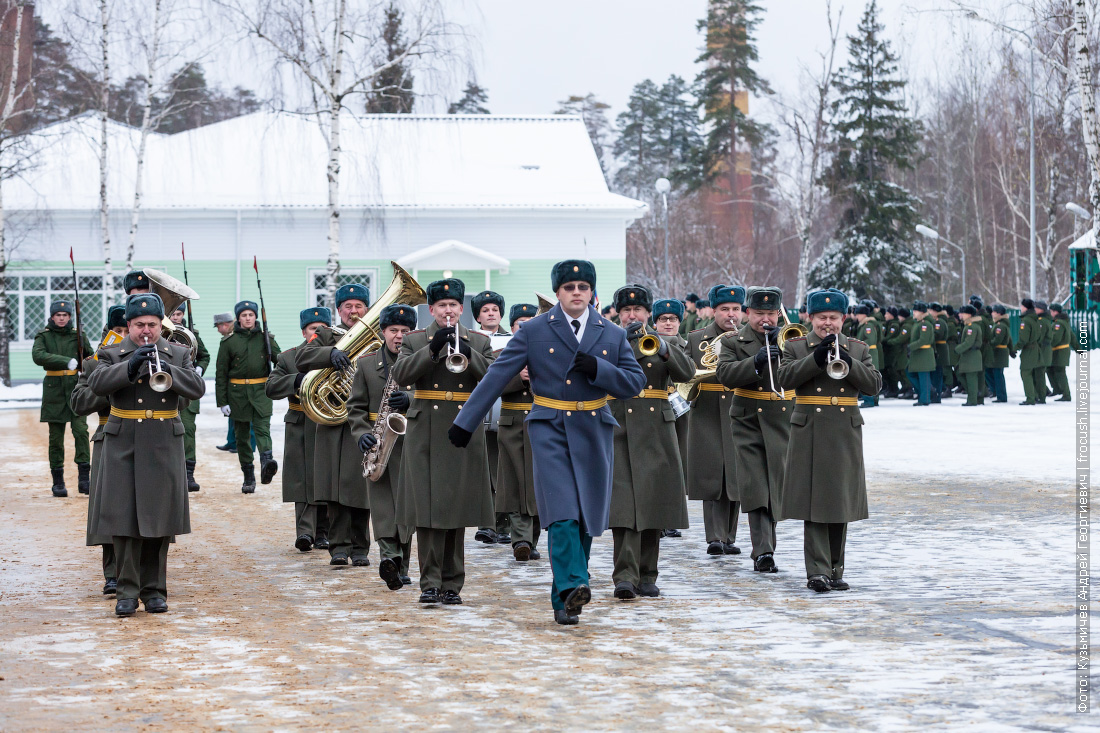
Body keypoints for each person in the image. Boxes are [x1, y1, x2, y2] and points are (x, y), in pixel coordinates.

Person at [448, 260, 646, 625]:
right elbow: (498, 374)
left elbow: (634, 383)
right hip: (549, 426)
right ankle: (575, 582)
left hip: (595, 427)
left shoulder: (612, 333)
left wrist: (600, 370)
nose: (575, 292)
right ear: (557, 293)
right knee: (562, 512)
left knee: (586, 516)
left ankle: (565, 599)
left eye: (582, 287)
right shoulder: (536, 330)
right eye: (568, 287)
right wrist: (465, 422)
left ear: (591, 293)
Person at [87, 293, 205, 616]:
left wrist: (169, 368)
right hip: (123, 442)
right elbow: (96, 384)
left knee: (158, 521)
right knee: (124, 522)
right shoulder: (111, 352)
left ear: (160, 324)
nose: (146, 332)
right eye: (139, 325)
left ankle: (154, 590)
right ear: (129, 326)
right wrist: (130, 366)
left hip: (163, 442)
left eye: (152, 324)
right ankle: (126, 591)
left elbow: (196, 388)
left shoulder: (178, 353)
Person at [392, 277, 496, 605]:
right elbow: (401, 375)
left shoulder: (478, 341)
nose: (447, 311)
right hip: (425, 431)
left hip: (463, 428)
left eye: (453, 306)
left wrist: (469, 354)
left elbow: (496, 380)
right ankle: (429, 583)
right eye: (441, 306)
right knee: (428, 510)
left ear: (462, 309)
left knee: (457, 508)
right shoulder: (414, 340)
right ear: (431, 309)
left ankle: (453, 585)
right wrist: (432, 349)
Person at [777, 288, 880, 593]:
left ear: (843, 318)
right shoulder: (796, 346)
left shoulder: (858, 348)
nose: (827, 324)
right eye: (821, 318)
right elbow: (784, 379)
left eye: (833, 318)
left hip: (844, 431)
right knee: (815, 503)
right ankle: (818, 571)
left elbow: (874, 385)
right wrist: (815, 359)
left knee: (840, 502)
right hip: (809, 429)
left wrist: (849, 361)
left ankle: (836, 569)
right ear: (809, 318)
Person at [606, 285, 693, 599]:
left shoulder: (663, 341)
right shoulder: (607, 340)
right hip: (620, 427)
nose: (632, 315)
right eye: (627, 310)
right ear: (618, 313)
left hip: (657, 427)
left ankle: (648, 575)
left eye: (638, 311)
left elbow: (686, 372)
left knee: (654, 502)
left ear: (647, 314)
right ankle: (624, 577)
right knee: (624, 507)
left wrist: (664, 349)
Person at [293, 284, 373, 566]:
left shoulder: (374, 335)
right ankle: (338, 547)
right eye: (348, 307)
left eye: (359, 306)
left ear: (367, 308)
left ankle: (361, 547)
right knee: (334, 487)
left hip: (363, 421)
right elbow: (301, 357)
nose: (354, 311)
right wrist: (329, 354)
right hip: (332, 422)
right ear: (339, 311)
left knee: (361, 486)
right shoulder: (326, 334)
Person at [715, 286, 791, 572]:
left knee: (776, 486)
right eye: (759, 313)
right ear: (748, 313)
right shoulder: (735, 341)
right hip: (747, 419)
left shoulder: (791, 338)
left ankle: (769, 543)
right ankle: (763, 551)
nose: (765, 319)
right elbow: (725, 375)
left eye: (771, 313)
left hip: (782, 418)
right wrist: (755, 362)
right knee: (756, 485)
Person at [348, 304, 418, 588]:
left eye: (405, 331)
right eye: (393, 330)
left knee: (407, 506)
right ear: (382, 332)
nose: (399, 336)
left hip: (411, 442)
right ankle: (389, 557)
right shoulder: (366, 364)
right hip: (379, 444)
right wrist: (361, 433)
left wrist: (411, 402)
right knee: (382, 505)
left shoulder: (420, 363)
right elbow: (355, 408)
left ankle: (402, 566)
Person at [70, 305, 127, 595]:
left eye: (127, 331)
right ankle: (112, 573)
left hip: (147, 436)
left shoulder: (155, 357)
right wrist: (109, 380)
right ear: (109, 332)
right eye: (119, 332)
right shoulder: (94, 362)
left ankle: (145, 573)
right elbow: (78, 403)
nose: (124, 337)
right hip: (109, 434)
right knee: (110, 507)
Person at [267, 307, 333, 553]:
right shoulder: (288, 358)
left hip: (327, 422)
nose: (317, 334)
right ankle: (304, 532)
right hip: (299, 420)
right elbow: (271, 388)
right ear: (303, 332)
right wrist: (295, 380)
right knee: (301, 479)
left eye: (322, 330)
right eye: (312, 330)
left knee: (324, 477)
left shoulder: (335, 355)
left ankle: (324, 532)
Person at [685, 285, 744, 557]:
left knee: (735, 475)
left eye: (735, 309)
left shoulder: (749, 338)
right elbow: (684, 373)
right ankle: (715, 537)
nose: (730, 315)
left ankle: (729, 536)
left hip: (740, 409)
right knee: (712, 477)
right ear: (713, 311)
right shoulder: (697, 338)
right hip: (707, 411)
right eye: (724, 310)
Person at [491, 303, 543, 561]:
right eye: (519, 324)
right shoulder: (502, 352)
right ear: (512, 329)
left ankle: (531, 540)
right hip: (511, 422)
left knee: (535, 484)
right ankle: (520, 539)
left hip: (540, 421)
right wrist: (517, 377)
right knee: (513, 483)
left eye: (529, 323)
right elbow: (490, 383)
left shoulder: (547, 351)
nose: (524, 327)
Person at [216, 300, 280, 492]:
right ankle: (248, 476)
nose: (247, 318)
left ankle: (267, 463)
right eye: (244, 315)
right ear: (239, 318)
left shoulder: (265, 338)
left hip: (261, 392)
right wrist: (222, 401)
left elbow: (281, 360)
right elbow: (221, 373)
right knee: (242, 437)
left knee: (262, 430)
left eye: (250, 315)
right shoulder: (229, 341)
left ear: (255, 317)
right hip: (237, 395)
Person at [32, 298, 93, 497]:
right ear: (52, 317)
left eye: (65, 315)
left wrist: (86, 358)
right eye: (58, 315)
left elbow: (91, 359)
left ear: (69, 317)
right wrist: (66, 361)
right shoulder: (44, 336)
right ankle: (58, 482)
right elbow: (38, 356)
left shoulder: (78, 335)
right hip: (54, 389)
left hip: (76, 388)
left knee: (81, 432)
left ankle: (84, 480)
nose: (61, 318)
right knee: (56, 438)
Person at [470, 289, 512, 546]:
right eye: (485, 310)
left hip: (502, 408)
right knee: (482, 469)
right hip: (478, 409)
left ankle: (503, 523)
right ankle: (485, 524)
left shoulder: (512, 339)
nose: (491, 314)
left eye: (495, 310)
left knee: (503, 469)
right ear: (478, 316)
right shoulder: (470, 339)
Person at [653, 297, 689, 539]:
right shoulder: (648, 343)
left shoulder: (688, 344)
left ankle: (671, 518)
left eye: (673, 319)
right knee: (657, 463)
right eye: (663, 319)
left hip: (682, 407)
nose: (668, 323)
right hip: (655, 406)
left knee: (677, 463)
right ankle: (657, 516)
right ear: (655, 322)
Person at [169, 303, 209, 491]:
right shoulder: (160, 332)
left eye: (179, 314)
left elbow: (204, 355)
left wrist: (199, 368)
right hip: (166, 386)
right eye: (173, 313)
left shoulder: (191, 333)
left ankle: (189, 474)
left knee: (188, 430)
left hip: (186, 386)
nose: (176, 317)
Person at [907, 301, 938, 406]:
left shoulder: (925, 324)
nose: (914, 313)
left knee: (923, 377)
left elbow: (924, 340)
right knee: (911, 373)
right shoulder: (918, 322)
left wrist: (911, 346)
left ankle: (925, 398)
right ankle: (926, 393)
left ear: (921, 312)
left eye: (915, 311)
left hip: (923, 353)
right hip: (918, 354)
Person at [955, 306, 985, 406]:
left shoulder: (971, 326)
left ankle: (973, 399)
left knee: (971, 378)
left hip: (971, 355)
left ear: (969, 314)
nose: (961, 315)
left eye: (963, 313)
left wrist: (957, 349)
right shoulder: (969, 325)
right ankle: (977, 397)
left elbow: (969, 342)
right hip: (969, 355)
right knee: (963, 374)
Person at [854, 305, 881, 407]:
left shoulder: (867, 325)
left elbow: (871, 340)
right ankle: (874, 399)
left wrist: (859, 345)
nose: (857, 317)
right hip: (869, 351)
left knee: (868, 376)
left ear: (863, 315)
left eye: (858, 314)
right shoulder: (865, 325)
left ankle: (869, 400)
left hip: (870, 352)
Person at [987, 305, 1014, 403]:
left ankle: (1001, 396)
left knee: (998, 374)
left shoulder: (1000, 326)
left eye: (994, 311)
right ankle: (997, 392)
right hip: (997, 352)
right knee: (993, 372)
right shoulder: (998, 324)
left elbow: (997, 340)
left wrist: (988, 343)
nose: (992, 313)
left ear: (998, 313)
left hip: (999, 352)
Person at [1017, 299, 1040, 405]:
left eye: (1022, 306)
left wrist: (1014, 348)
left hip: (1028, 350)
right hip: (1035, 349)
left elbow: (1023, 339)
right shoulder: (1035, 319)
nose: (1021, 308)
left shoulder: (1026, 320)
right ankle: (1035, 395)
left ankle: (1030, 398)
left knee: (1026, 373)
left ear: (1025, 307)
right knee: (1033, 374)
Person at [1048, 303, 1072, 401]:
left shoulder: (1058, 323)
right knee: (1050, 369)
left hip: (1060, 351)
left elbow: (1056, 338)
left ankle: (1066, 394)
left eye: (1051, 311)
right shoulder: (1061, 322)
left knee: (1060, 372)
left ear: (1056, 312)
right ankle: (1057, 389)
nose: (1050, 313)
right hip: (1058, 351)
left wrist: (1047, 345)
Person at [1034, 301, 1053, 404]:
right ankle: (1041, 395)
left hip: (1042, 352)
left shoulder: (1042, 321)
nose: (1035, 310)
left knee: (1039, 375)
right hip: (1043, 351)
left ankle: (1041, 397)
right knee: (1039, 375)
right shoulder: (1044, 320)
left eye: (1036, 308)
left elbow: (1039, 337)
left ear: (1041, 309)